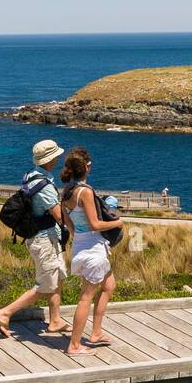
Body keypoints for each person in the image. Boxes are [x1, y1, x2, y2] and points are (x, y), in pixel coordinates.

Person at [0, 139, 68, 338]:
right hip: (44, 239)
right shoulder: (45, 186)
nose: (59, 158)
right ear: (50, 159)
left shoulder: (32, 175)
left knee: (57, 277)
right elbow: (60, 217)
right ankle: (5, 312)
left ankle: (55, 320)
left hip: (45, 238)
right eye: (56, 155)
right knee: (45, 285)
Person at [61, 147, 122, 354]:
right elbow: (96, 224)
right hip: (93, 249)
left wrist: (81, 234)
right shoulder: (85, 192)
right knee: (85, 297)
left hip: (80, 245)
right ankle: (74, 345)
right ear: (86, 167)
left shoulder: (67, 191)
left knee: (109, 285)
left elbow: (68, 224)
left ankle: (96, 333)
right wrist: (117, 223)